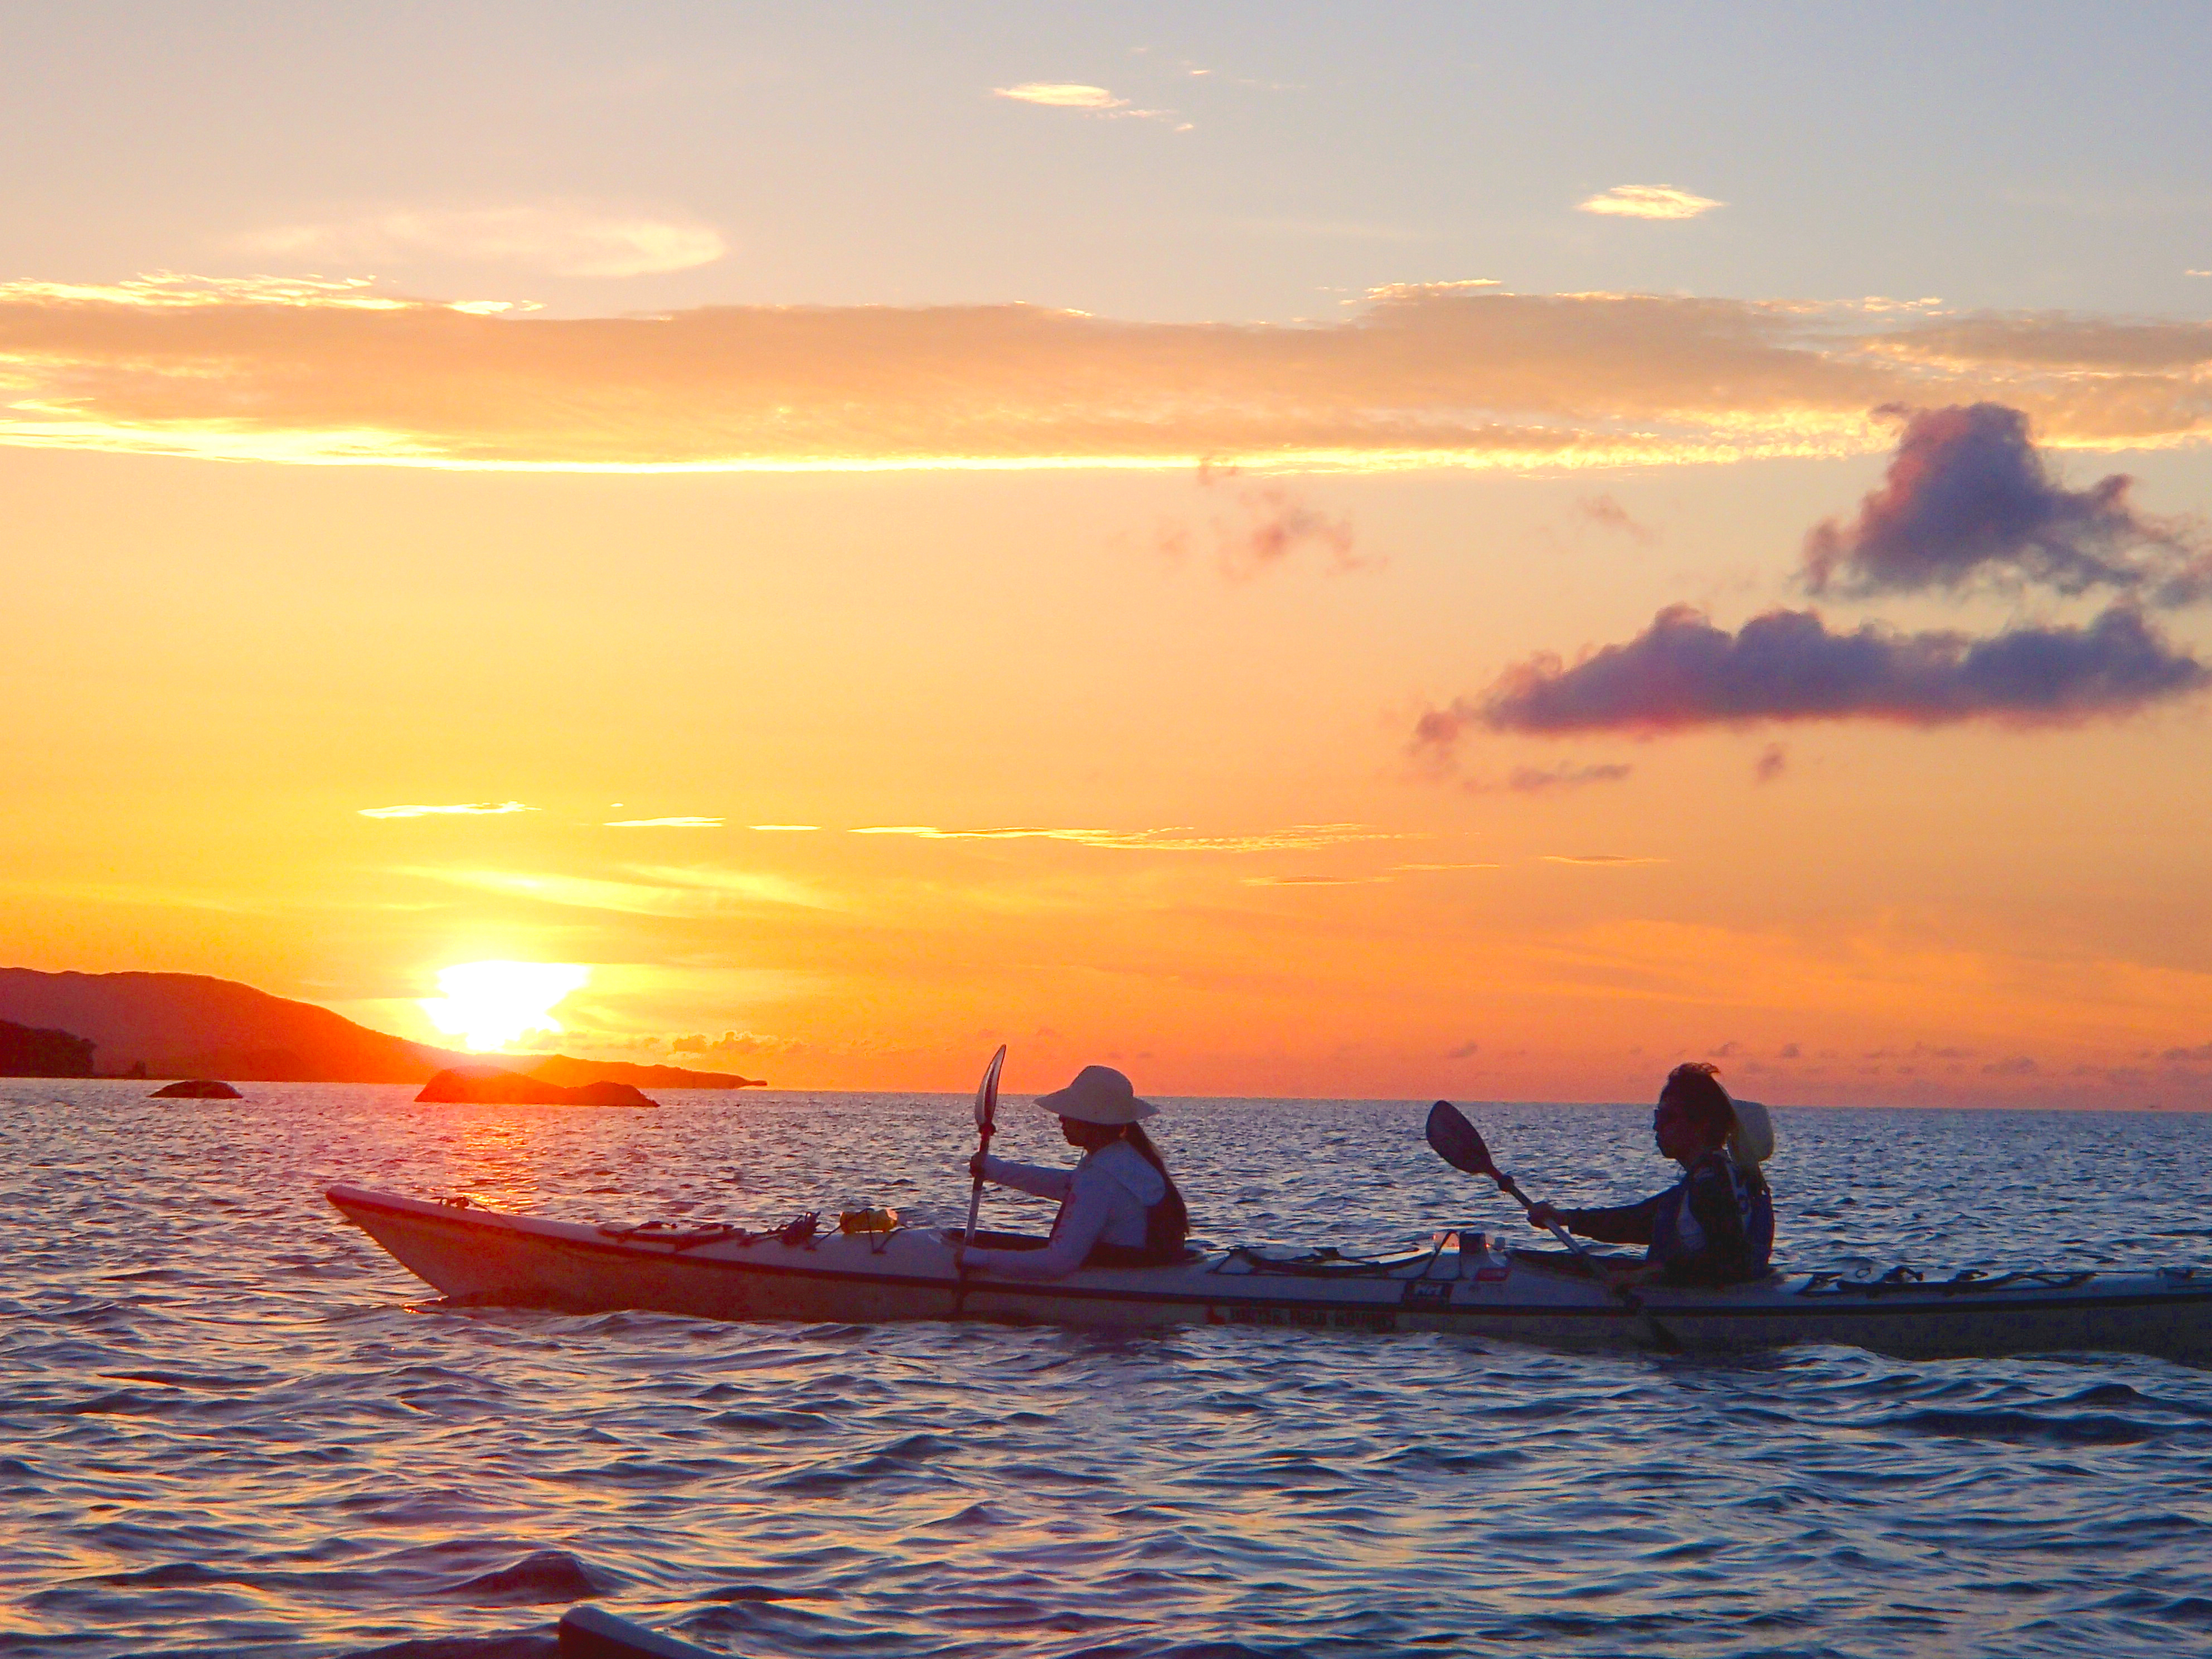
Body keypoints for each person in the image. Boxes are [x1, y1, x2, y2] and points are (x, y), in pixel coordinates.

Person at [1526, 1063, 1774, 1285]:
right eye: (1657, 1116)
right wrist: (1567, 1218)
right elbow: (1639, 1221)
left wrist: (1650, 1276)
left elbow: (1730, 1261)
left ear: (1702, 1125)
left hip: (1702, 1303)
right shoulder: (1717, 1178)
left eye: (1667, 1117)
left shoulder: (1712, 1184)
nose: (1657, 1126)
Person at [956, 1064, 1191, 1280]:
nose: (1061, 1118)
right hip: (1133, 1271)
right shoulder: (1122, 1160)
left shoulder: (1102, 1177)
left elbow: (1058, 1263)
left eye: (1071, 1113)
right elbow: (1067, 1185)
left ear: (1091, 1122)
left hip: (1117, 1285)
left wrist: (978, 1258)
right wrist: (995, 1170)